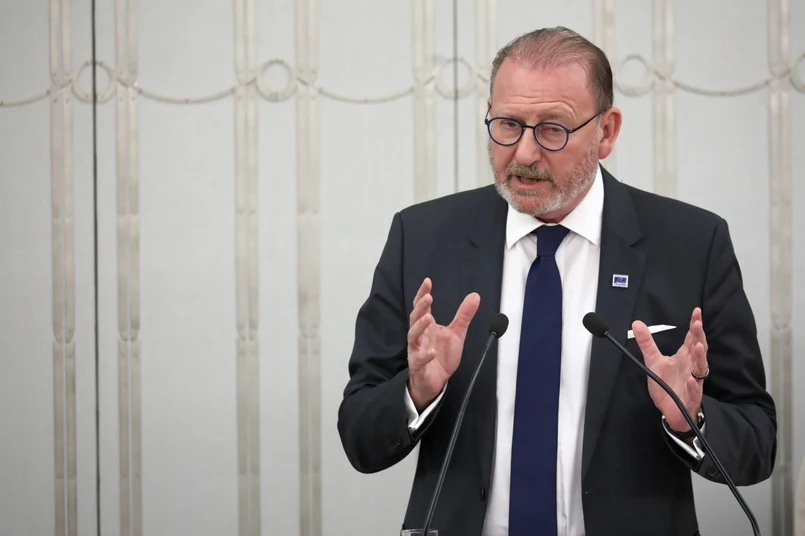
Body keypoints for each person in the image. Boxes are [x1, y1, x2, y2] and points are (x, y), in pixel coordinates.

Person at [337, 26, 777, 536]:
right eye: (507, 124)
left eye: (552, 129)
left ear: (606, 131)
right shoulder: (423, 238)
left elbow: (757, 442)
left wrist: (690, 418)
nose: (524, 153)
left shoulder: (690, 245)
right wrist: (416, 393)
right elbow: (360, 439)